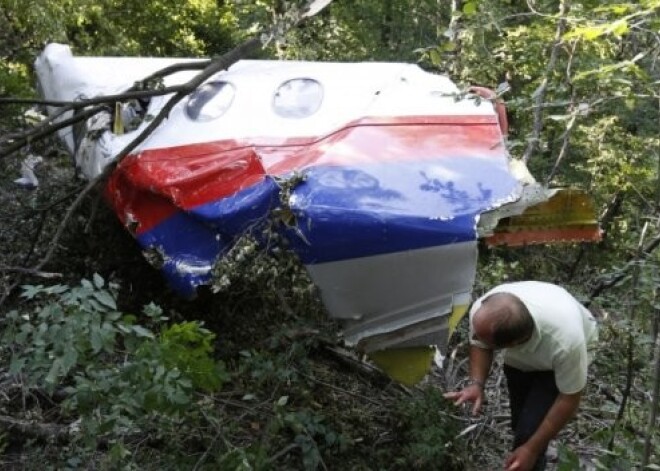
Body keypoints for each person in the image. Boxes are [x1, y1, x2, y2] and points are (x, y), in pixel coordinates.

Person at [444, 281, 598, 471]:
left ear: (512, 344)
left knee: (530, 434)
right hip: (523, 355)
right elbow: (479, 344)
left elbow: (569, 399)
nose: (476, 336)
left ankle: (530, 459)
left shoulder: (567, 344)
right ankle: (526, 451)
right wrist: (477, 383)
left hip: (557, 355)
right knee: (521, 422)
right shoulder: (484, 312)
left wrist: (531, 450)